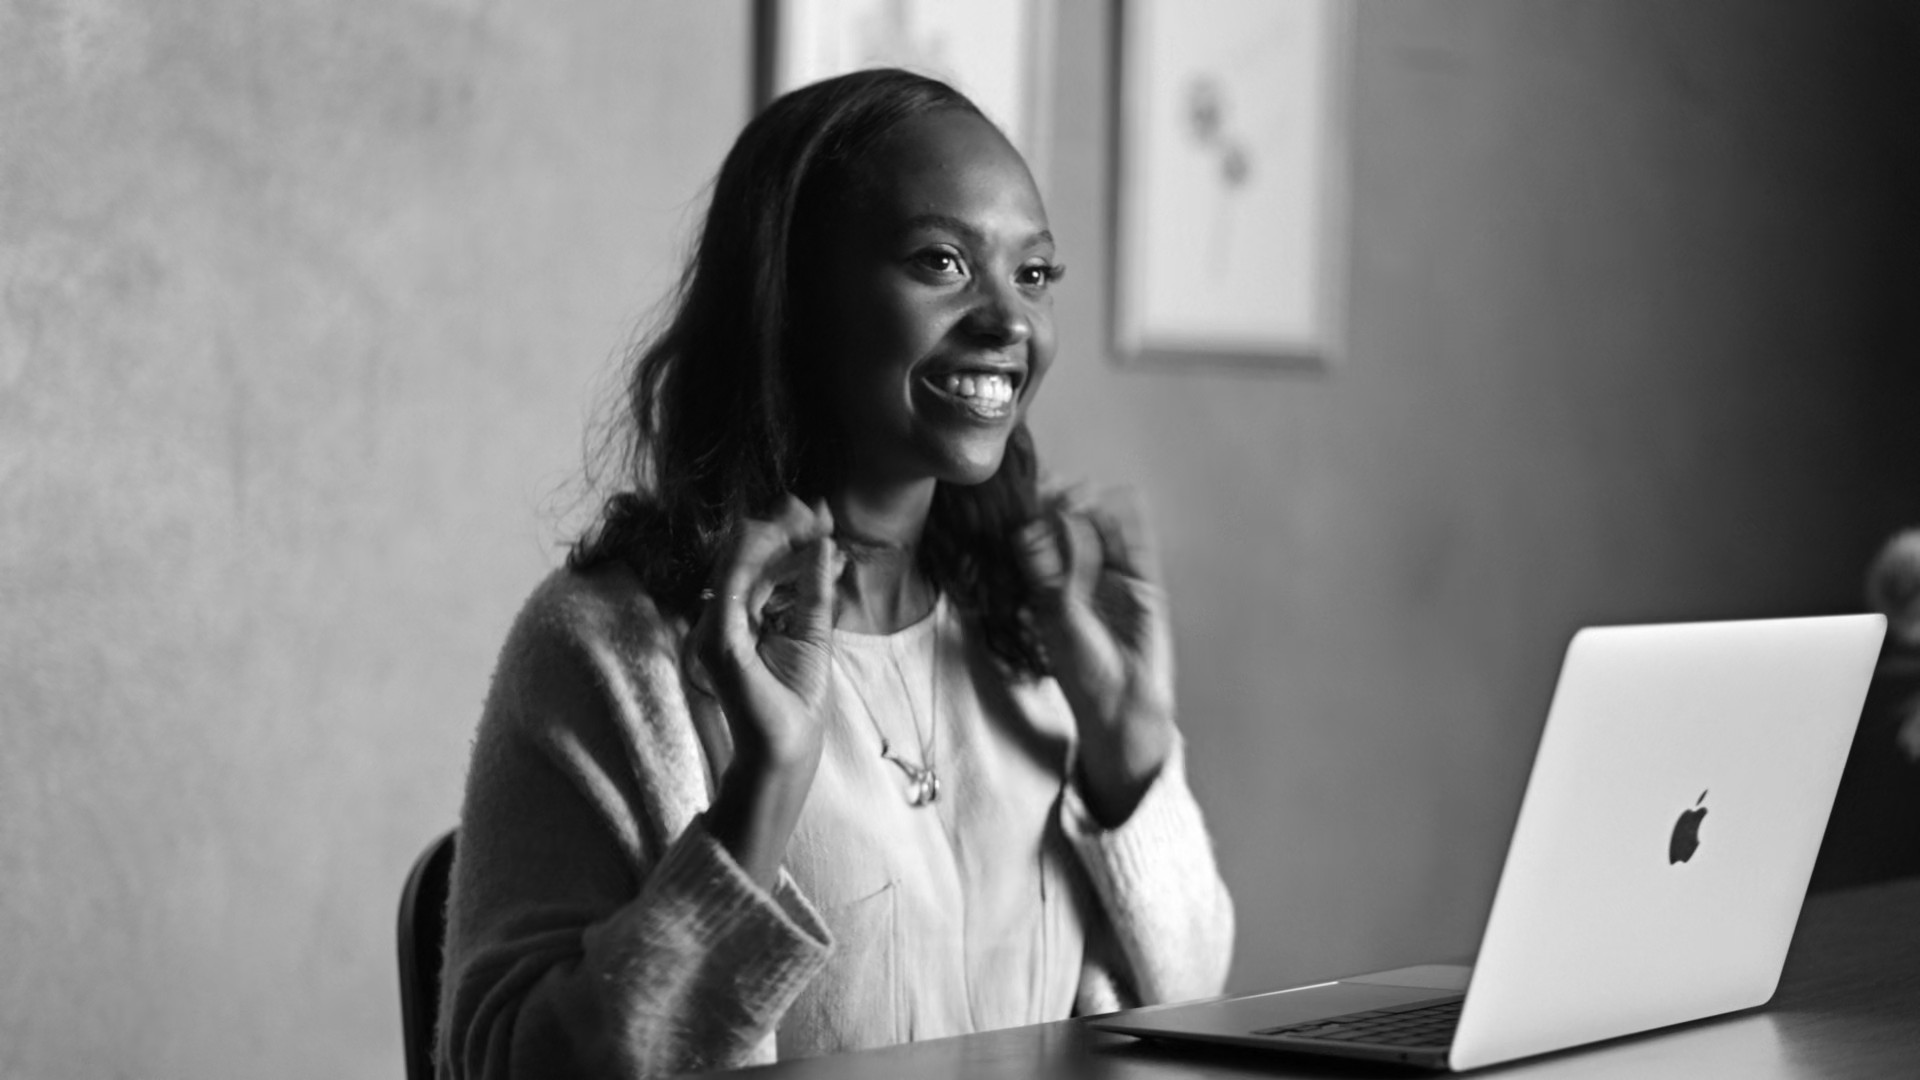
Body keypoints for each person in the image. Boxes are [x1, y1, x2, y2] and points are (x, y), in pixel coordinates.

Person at [435, 68, 1235, 1079]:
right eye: (941, 261)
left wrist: (1129, 755)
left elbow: (1196, 998)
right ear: (793, 297)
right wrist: (759, 796)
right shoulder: (610, 645)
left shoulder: (1026, 636)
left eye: (1032, 276)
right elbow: (508, 1067)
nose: (1008, 322)